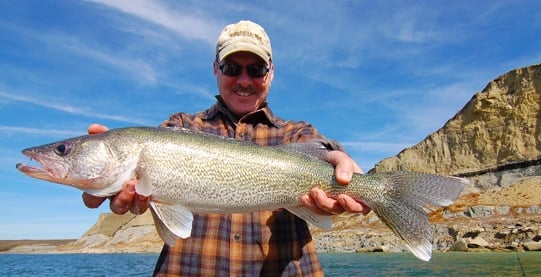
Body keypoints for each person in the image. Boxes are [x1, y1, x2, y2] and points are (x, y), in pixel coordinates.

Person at [82, 20, 368, 276]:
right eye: (232, 68)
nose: (244, 80)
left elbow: (322, 149)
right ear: (215, 69)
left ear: (270, 74)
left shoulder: (296, 134)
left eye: (256, 70)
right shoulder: (180, 125)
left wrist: (338, 158)